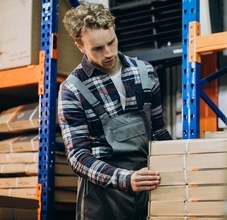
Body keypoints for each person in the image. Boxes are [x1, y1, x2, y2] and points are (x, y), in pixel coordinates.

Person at [58, 2, 172, 220]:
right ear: (80, 46)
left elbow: (159, 132)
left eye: (111, 42)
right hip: (102, 196)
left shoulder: (145, 73)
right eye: (98, 48)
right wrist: (125, 179)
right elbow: (78, 157)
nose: (109, 52)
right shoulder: (72, 90)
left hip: (147, 185)